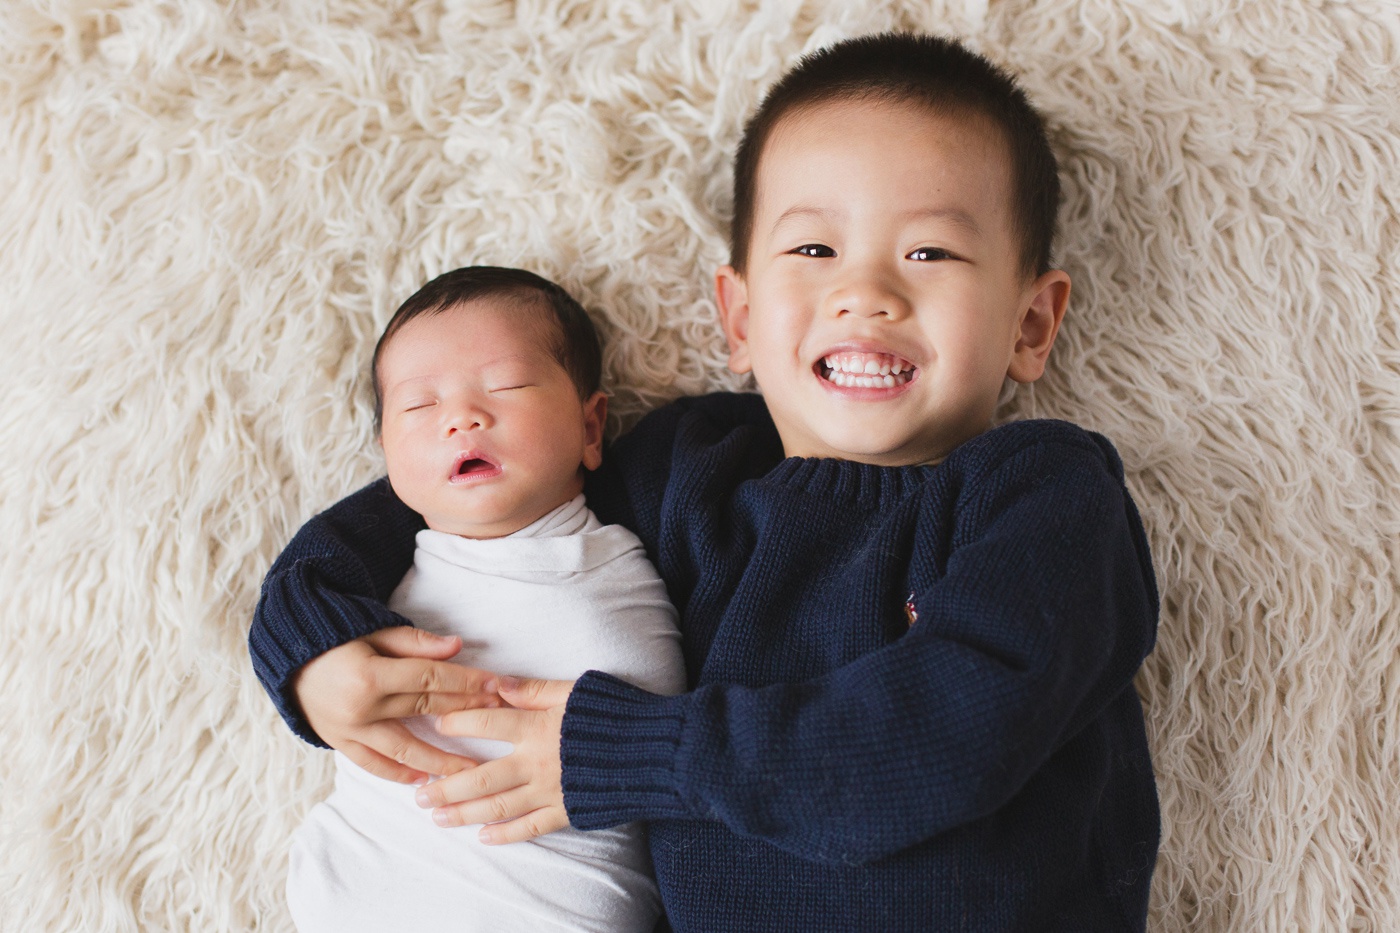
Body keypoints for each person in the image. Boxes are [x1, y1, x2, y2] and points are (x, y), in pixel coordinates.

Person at [252, 33, 1161, 931]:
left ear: (1031, 323)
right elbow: (442, 491)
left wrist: (645, 754)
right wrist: (315, 644)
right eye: (814, 252)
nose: (867, 293)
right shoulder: (693, 469)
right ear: (740, 315)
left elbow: (954, 732)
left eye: (931, 254)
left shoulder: (1045, 495)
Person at [279, 266, 685, 933]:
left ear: (592, 427)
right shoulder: (361, 583)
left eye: (507, 385)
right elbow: (298, 605)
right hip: (358, 884)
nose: (463, 416)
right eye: (419, 405)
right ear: (387, 454)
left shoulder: (623, 561)